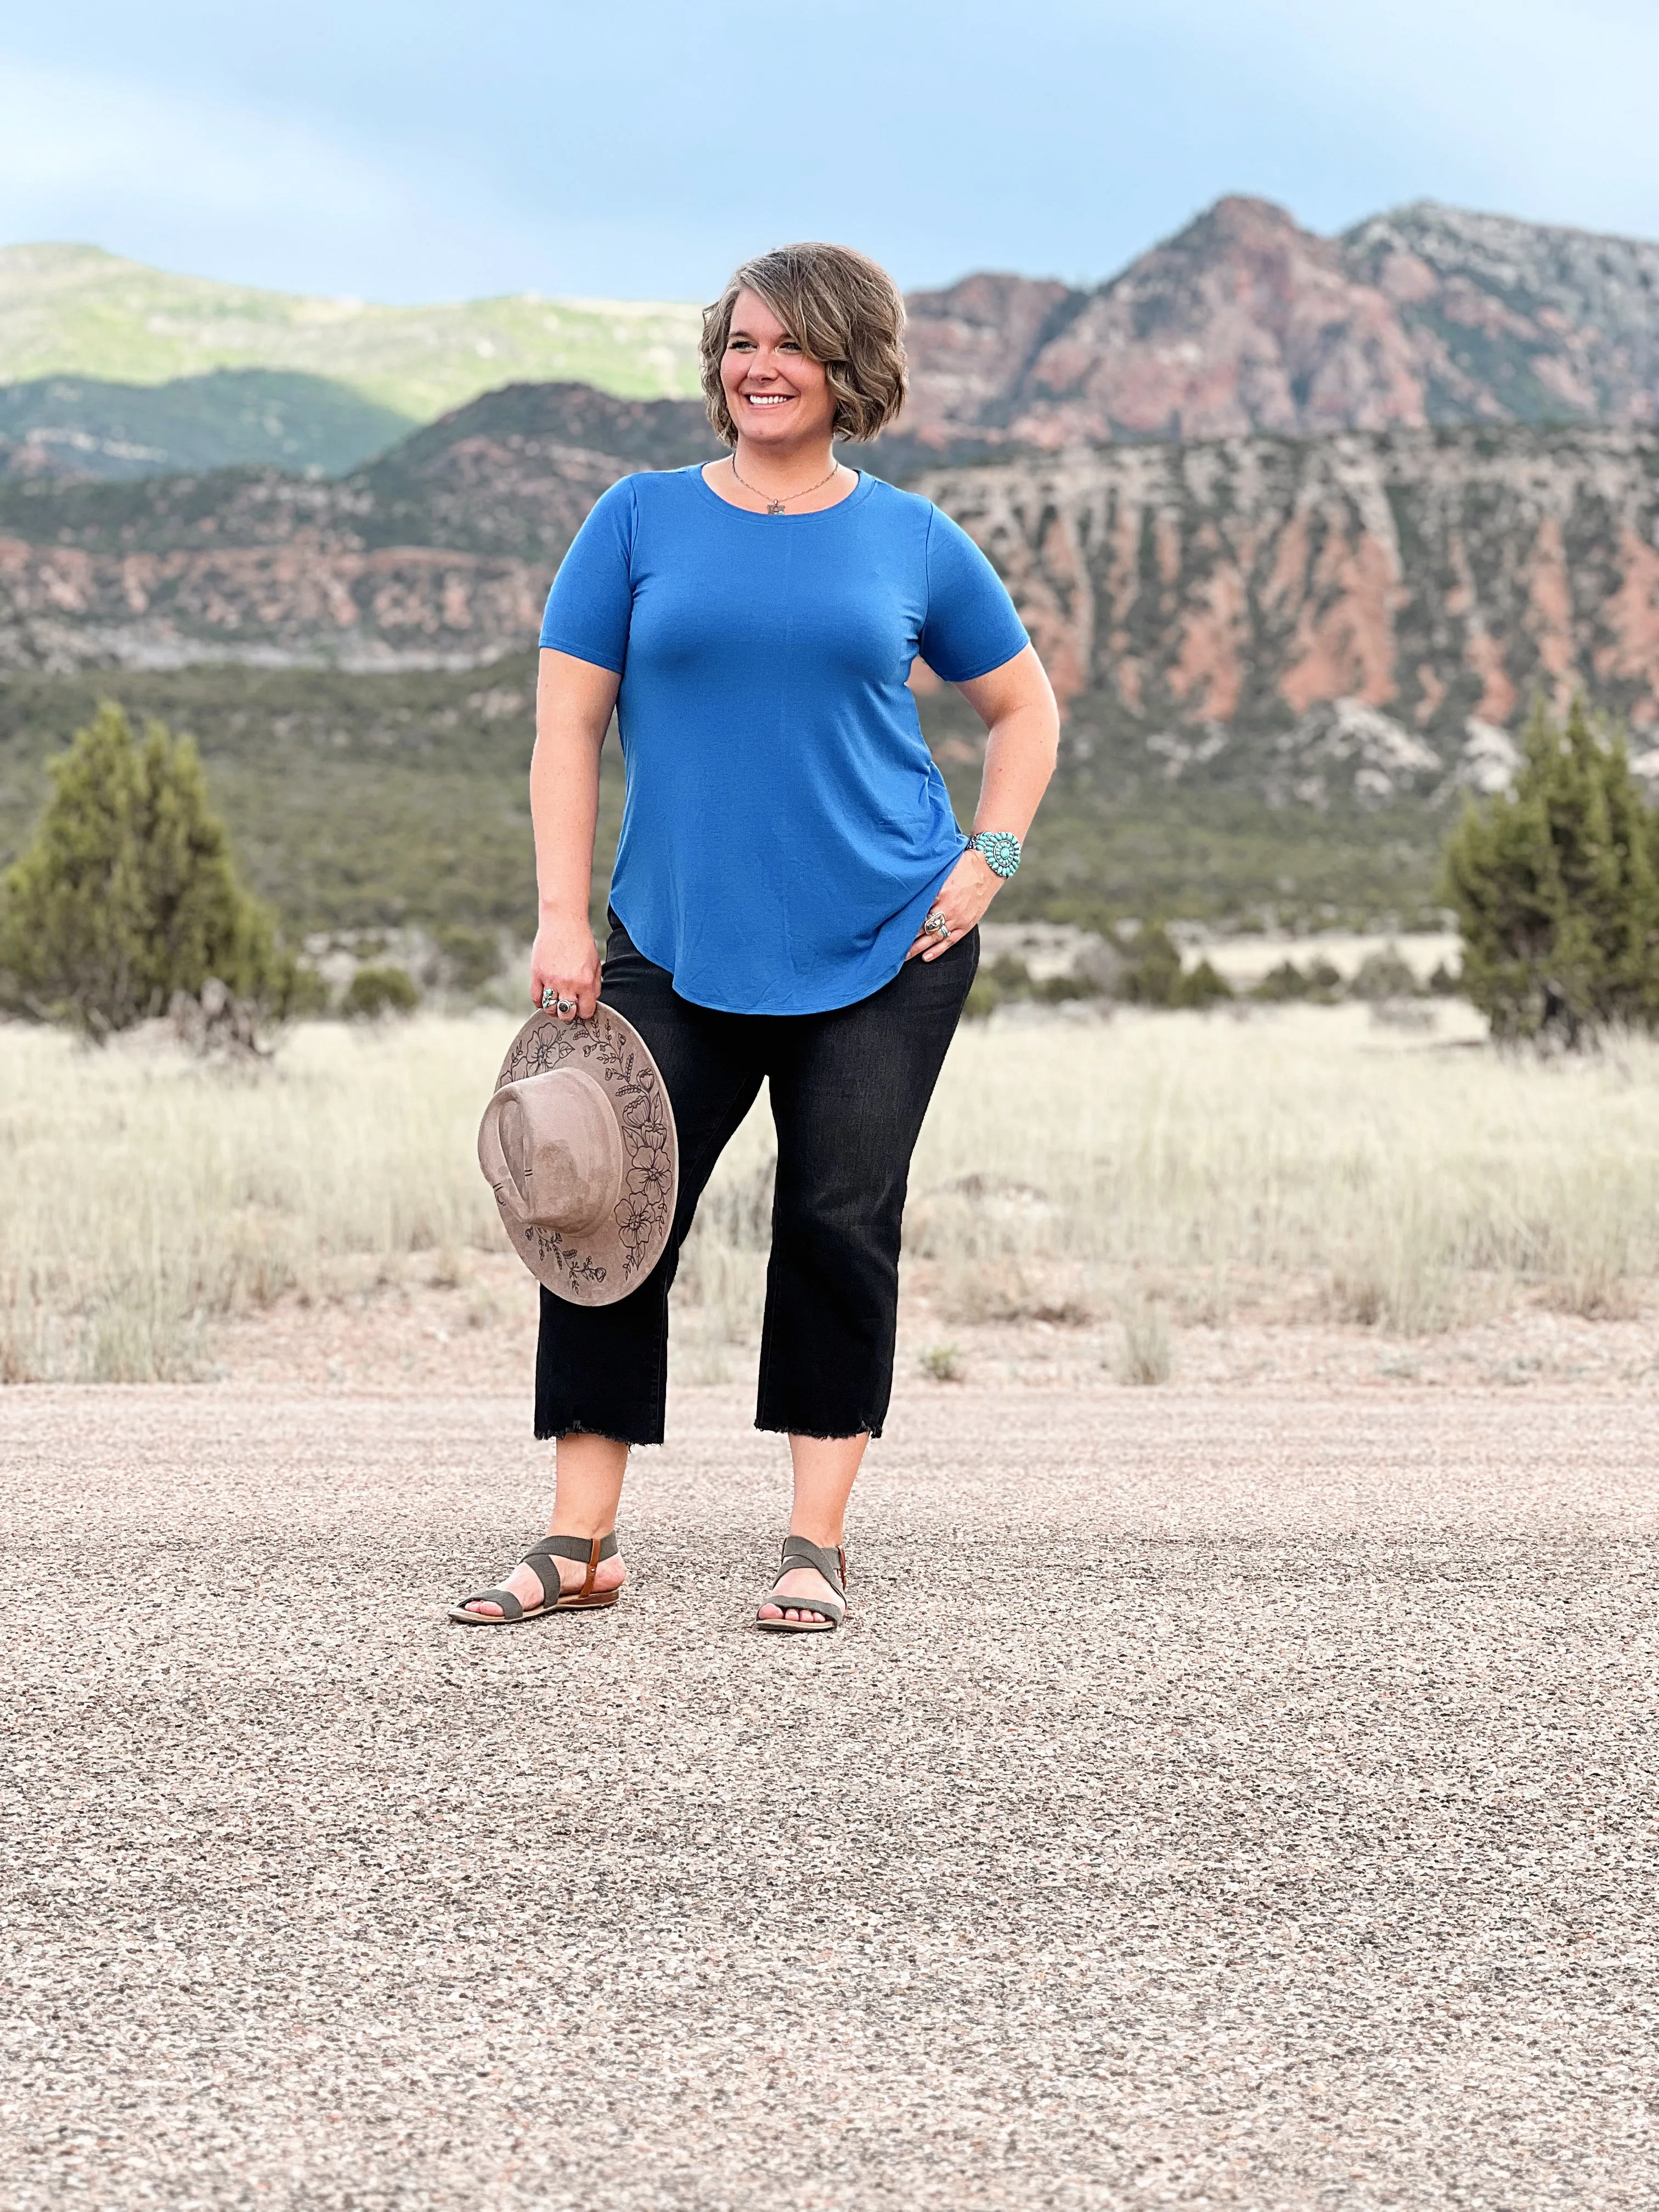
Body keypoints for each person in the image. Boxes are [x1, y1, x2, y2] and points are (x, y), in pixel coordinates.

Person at [450, 241, 1058, 1633]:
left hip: (887, 941)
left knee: (839, 1221)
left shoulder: (911, 538)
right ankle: (581, 1543)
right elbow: (567, 732)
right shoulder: (636, 520)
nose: (759, 368)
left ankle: (814, 1539)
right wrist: (562, 921)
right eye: (739, 344)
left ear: (852, 371)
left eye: (791, 347)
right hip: (664, 938)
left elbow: (1025, 713)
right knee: (603, 1208)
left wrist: (991, 861)